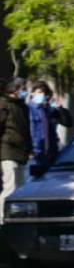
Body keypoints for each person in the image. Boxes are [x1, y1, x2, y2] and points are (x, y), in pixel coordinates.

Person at [0, 78, 33, 220]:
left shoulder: (22, 107)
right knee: (10, 187)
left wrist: (29, 148)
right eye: (23, 88)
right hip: (8, 151)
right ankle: (2, 218)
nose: (25, 91)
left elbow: (26, 130)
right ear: (16, 89)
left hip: (21, 152)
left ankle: (15, 217)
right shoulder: (3, 104)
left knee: (20, 189)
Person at [26, 80, 73, 175]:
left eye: (44, 93)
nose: (42, 95)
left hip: (51, 154)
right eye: (39, 92)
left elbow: (68, 123)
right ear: (32, 93)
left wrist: (60, 108)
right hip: (35, 154)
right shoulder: (27, 110)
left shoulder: (50, 110)